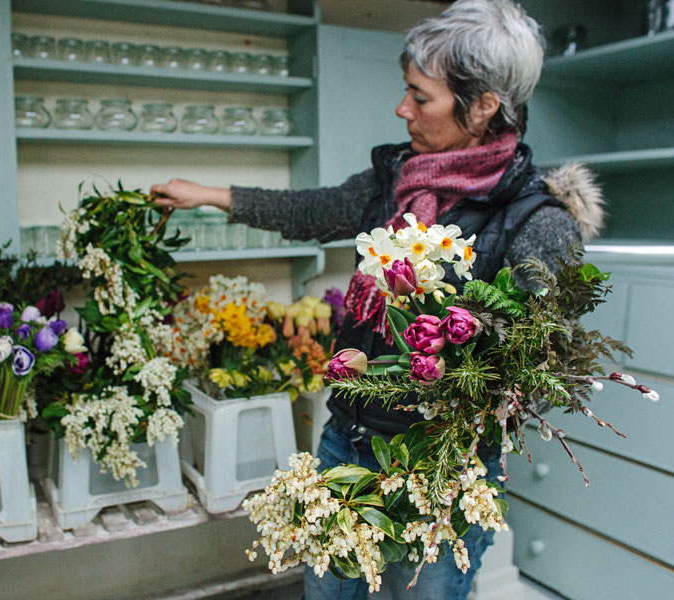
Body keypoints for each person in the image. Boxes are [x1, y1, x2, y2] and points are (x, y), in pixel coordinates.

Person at [152, 0, 603, 598]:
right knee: (327, 590)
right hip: (349, 436)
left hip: (439, 470)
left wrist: (463, 349)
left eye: (422, 97)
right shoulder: (398, 178)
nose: (403, 109)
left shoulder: (539, 223)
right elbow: (313, 210)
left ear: (485, 106)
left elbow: (534, 358)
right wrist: (208, 193)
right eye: (406, 91)